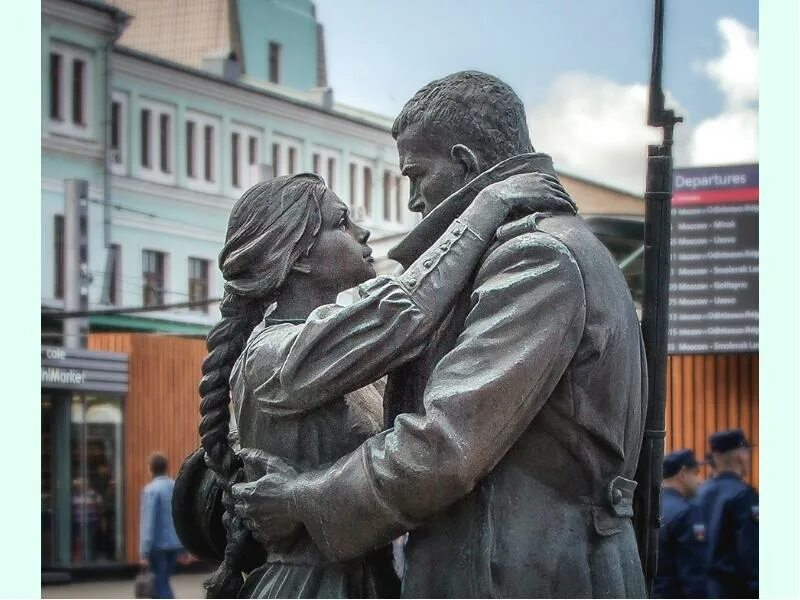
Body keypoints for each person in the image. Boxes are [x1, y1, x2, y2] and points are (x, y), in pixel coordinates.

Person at [232, 71, 647, 598]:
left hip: (520, 574)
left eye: (416, 174)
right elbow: (398, 315)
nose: (410, 202)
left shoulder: (533, 256)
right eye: (343, 222)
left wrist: (303, 500)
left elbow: (444, 445)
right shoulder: (536, 248)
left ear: (466, 164)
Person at [195, 172, 566, 598]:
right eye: (341, 223)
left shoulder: (329, 354)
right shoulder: (274, 356)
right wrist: (487, 206)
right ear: (298, 257)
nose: (362, 231)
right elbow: (403, 313)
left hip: (364, 580)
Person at [695, 429, 758, 598]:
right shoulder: (743, 495)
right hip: (734, 590)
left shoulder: (699, 492)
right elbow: (750, 552)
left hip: (702, 590)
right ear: (740, 455)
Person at [654, 449, 706, 598]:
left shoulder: (648, 507)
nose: (699, 480)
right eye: (695, 473)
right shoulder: (687, 512)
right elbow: (694, 573)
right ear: (682, 474)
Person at [140, 453, 184, 599]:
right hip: (174, 543)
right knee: (164, 580)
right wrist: (184, 548)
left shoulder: (151, 490)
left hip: (158, 546)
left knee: (160, 583)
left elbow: (149, 522)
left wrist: (144, 551)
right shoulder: (174, 486)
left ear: (150, 469)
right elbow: (180, 515)